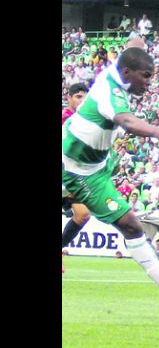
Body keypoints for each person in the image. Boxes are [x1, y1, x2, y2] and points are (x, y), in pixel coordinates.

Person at [61, 46, 159, 315]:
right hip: (76, 168)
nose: (148, 82)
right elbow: (127, 121)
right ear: (126, 72)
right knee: (120, 222)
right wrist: (158, 131)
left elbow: (135, 44)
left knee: (128, 226)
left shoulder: (117, 72)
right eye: (145, 76)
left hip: (95, 166)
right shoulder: (110, 93)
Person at [61, 83, 91, 273]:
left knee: (83, 214)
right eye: (78, 97)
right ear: (69, 98)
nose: (82, 101)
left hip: (73, 176)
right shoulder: (66, 119)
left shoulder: (87, 120)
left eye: (84, 98)